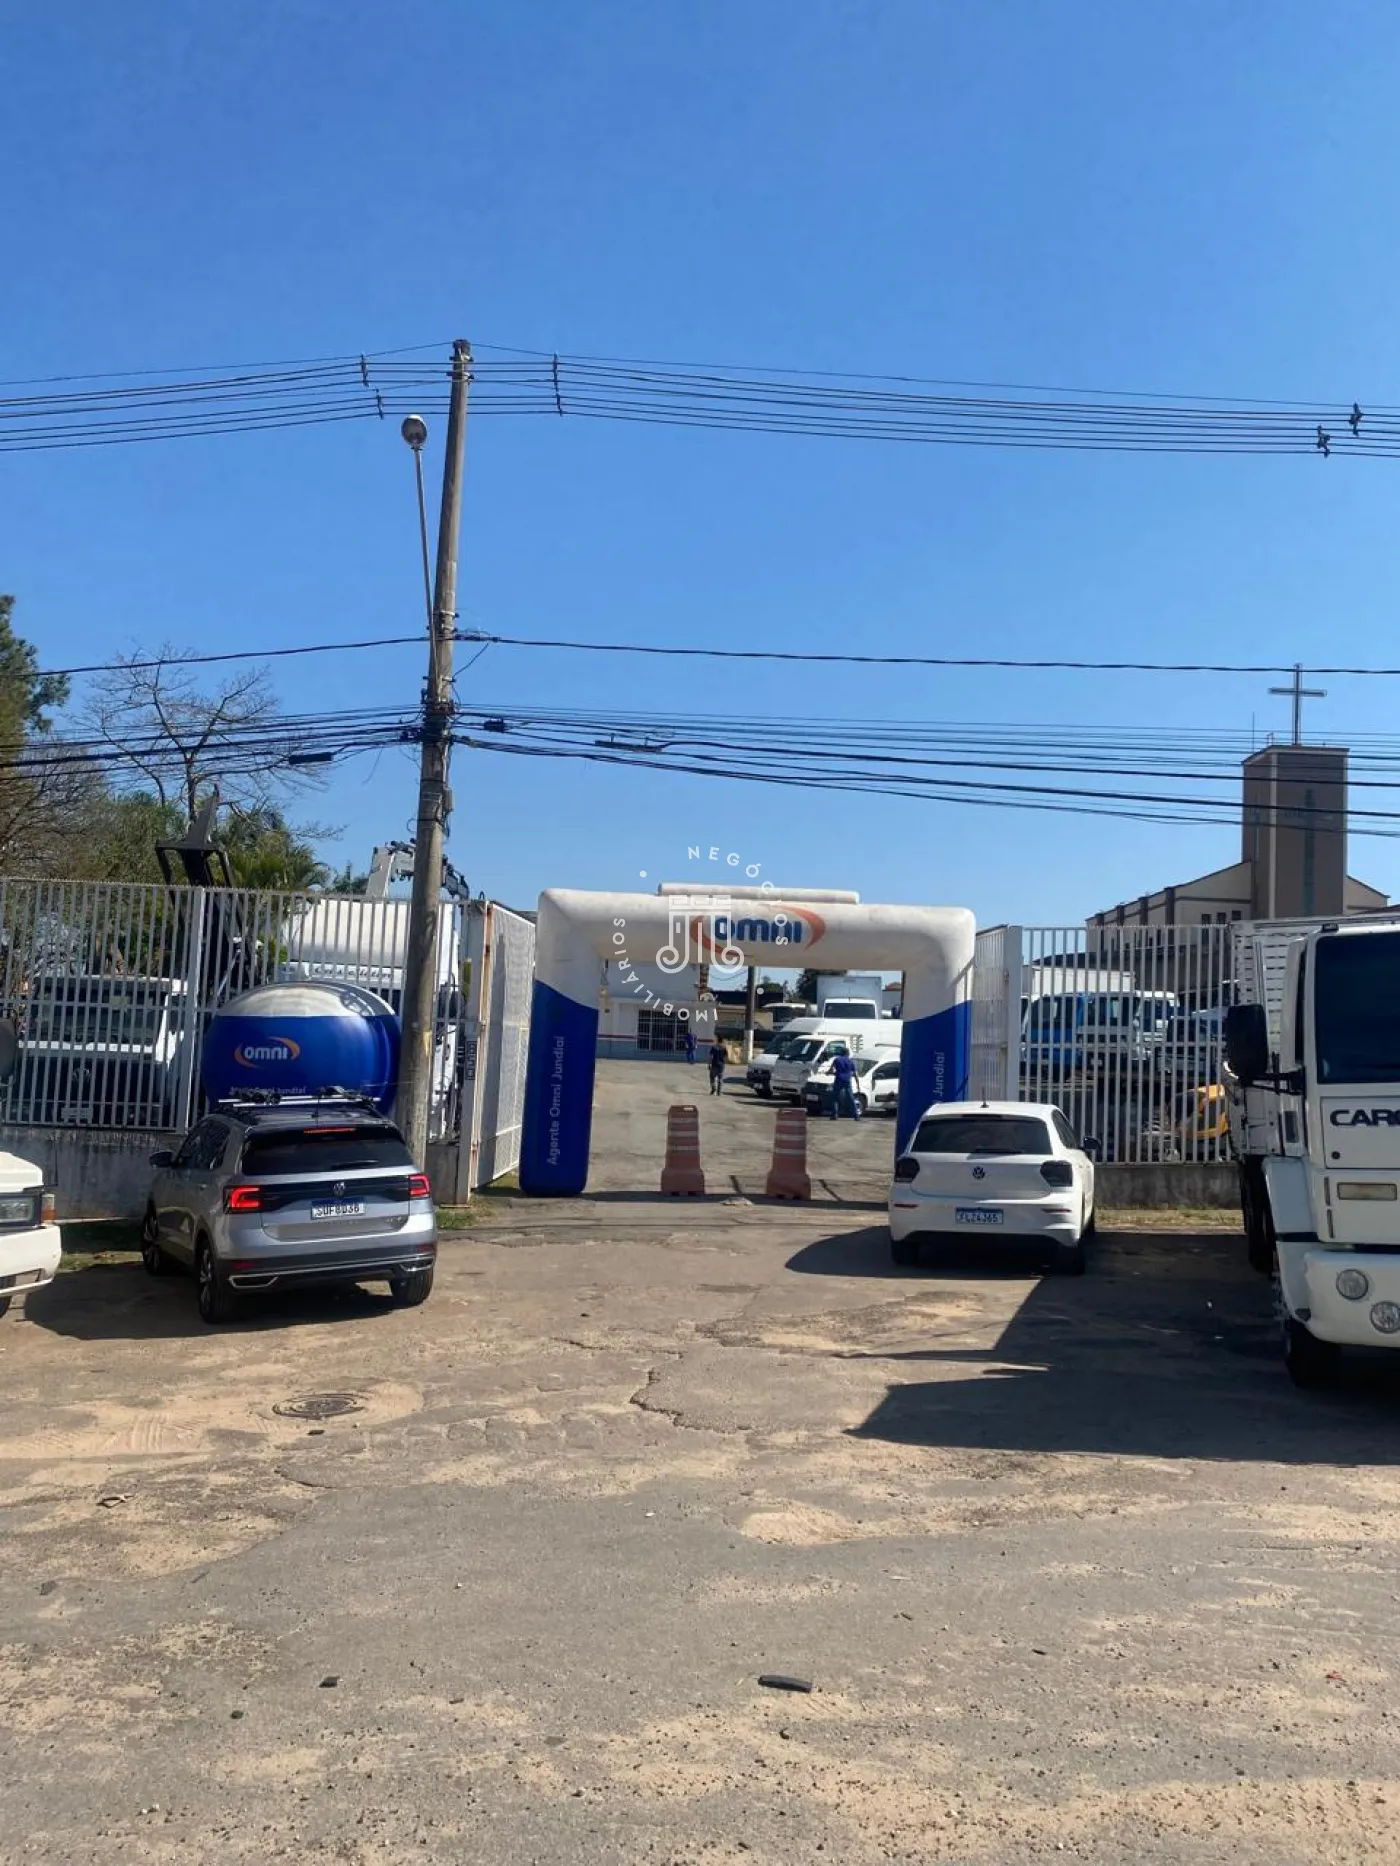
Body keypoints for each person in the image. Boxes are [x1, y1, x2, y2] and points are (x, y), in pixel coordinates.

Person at [830, 1048, 861, 1120]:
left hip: (838, 1080)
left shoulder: (837, 1060)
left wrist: (829, 1073)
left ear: (841, 1053)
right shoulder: (851, 1061)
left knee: (835, 1097)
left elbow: (831, 1070)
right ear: (847, 1053)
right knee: (850, 1098)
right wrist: (858, 1084)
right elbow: (855, 1074)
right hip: (847, 1081)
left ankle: (835, 1115)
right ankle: (856, 1115)